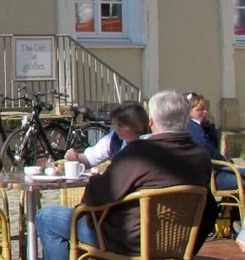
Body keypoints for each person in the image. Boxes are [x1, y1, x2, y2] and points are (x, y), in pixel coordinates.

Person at [35, 90, 215, 260]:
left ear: (151, 121)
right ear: (186, 120)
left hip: (126, 241)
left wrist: (95, 180)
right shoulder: (201, 156)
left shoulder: (138, 153)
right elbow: (207, 203)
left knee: (46, 217)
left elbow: (99, 195)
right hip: (180, 241)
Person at [65, 102, 149, 167]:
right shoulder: (114, 139)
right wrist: (77, 158)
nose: (117, 128)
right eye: (116, 124)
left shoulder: (151, 143)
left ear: (137, 126)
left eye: (121, 125)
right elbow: (90, 158)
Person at [185, 91, 237, 191]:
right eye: (200, 110)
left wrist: (208, 126)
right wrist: (227, 161)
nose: (204, 112)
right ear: (189, 112)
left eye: (205, 109)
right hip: (210, 176)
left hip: (213, 172)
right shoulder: (192, 127)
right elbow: (209, 151)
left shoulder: (198, 126)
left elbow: (214, 145)